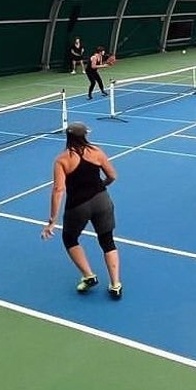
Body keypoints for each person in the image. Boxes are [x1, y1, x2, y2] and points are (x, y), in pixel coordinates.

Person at [41, 122, 122, 299]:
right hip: (102, 201)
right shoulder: (97, 152)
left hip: (77, 207)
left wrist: (52, 220)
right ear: (85, 135)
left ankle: (88, 275)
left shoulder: (62, 160)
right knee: (107, 241)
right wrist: (101, 185)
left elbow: (58, 190)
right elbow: (112, 176)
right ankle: (115, 284)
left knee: (70, 238)